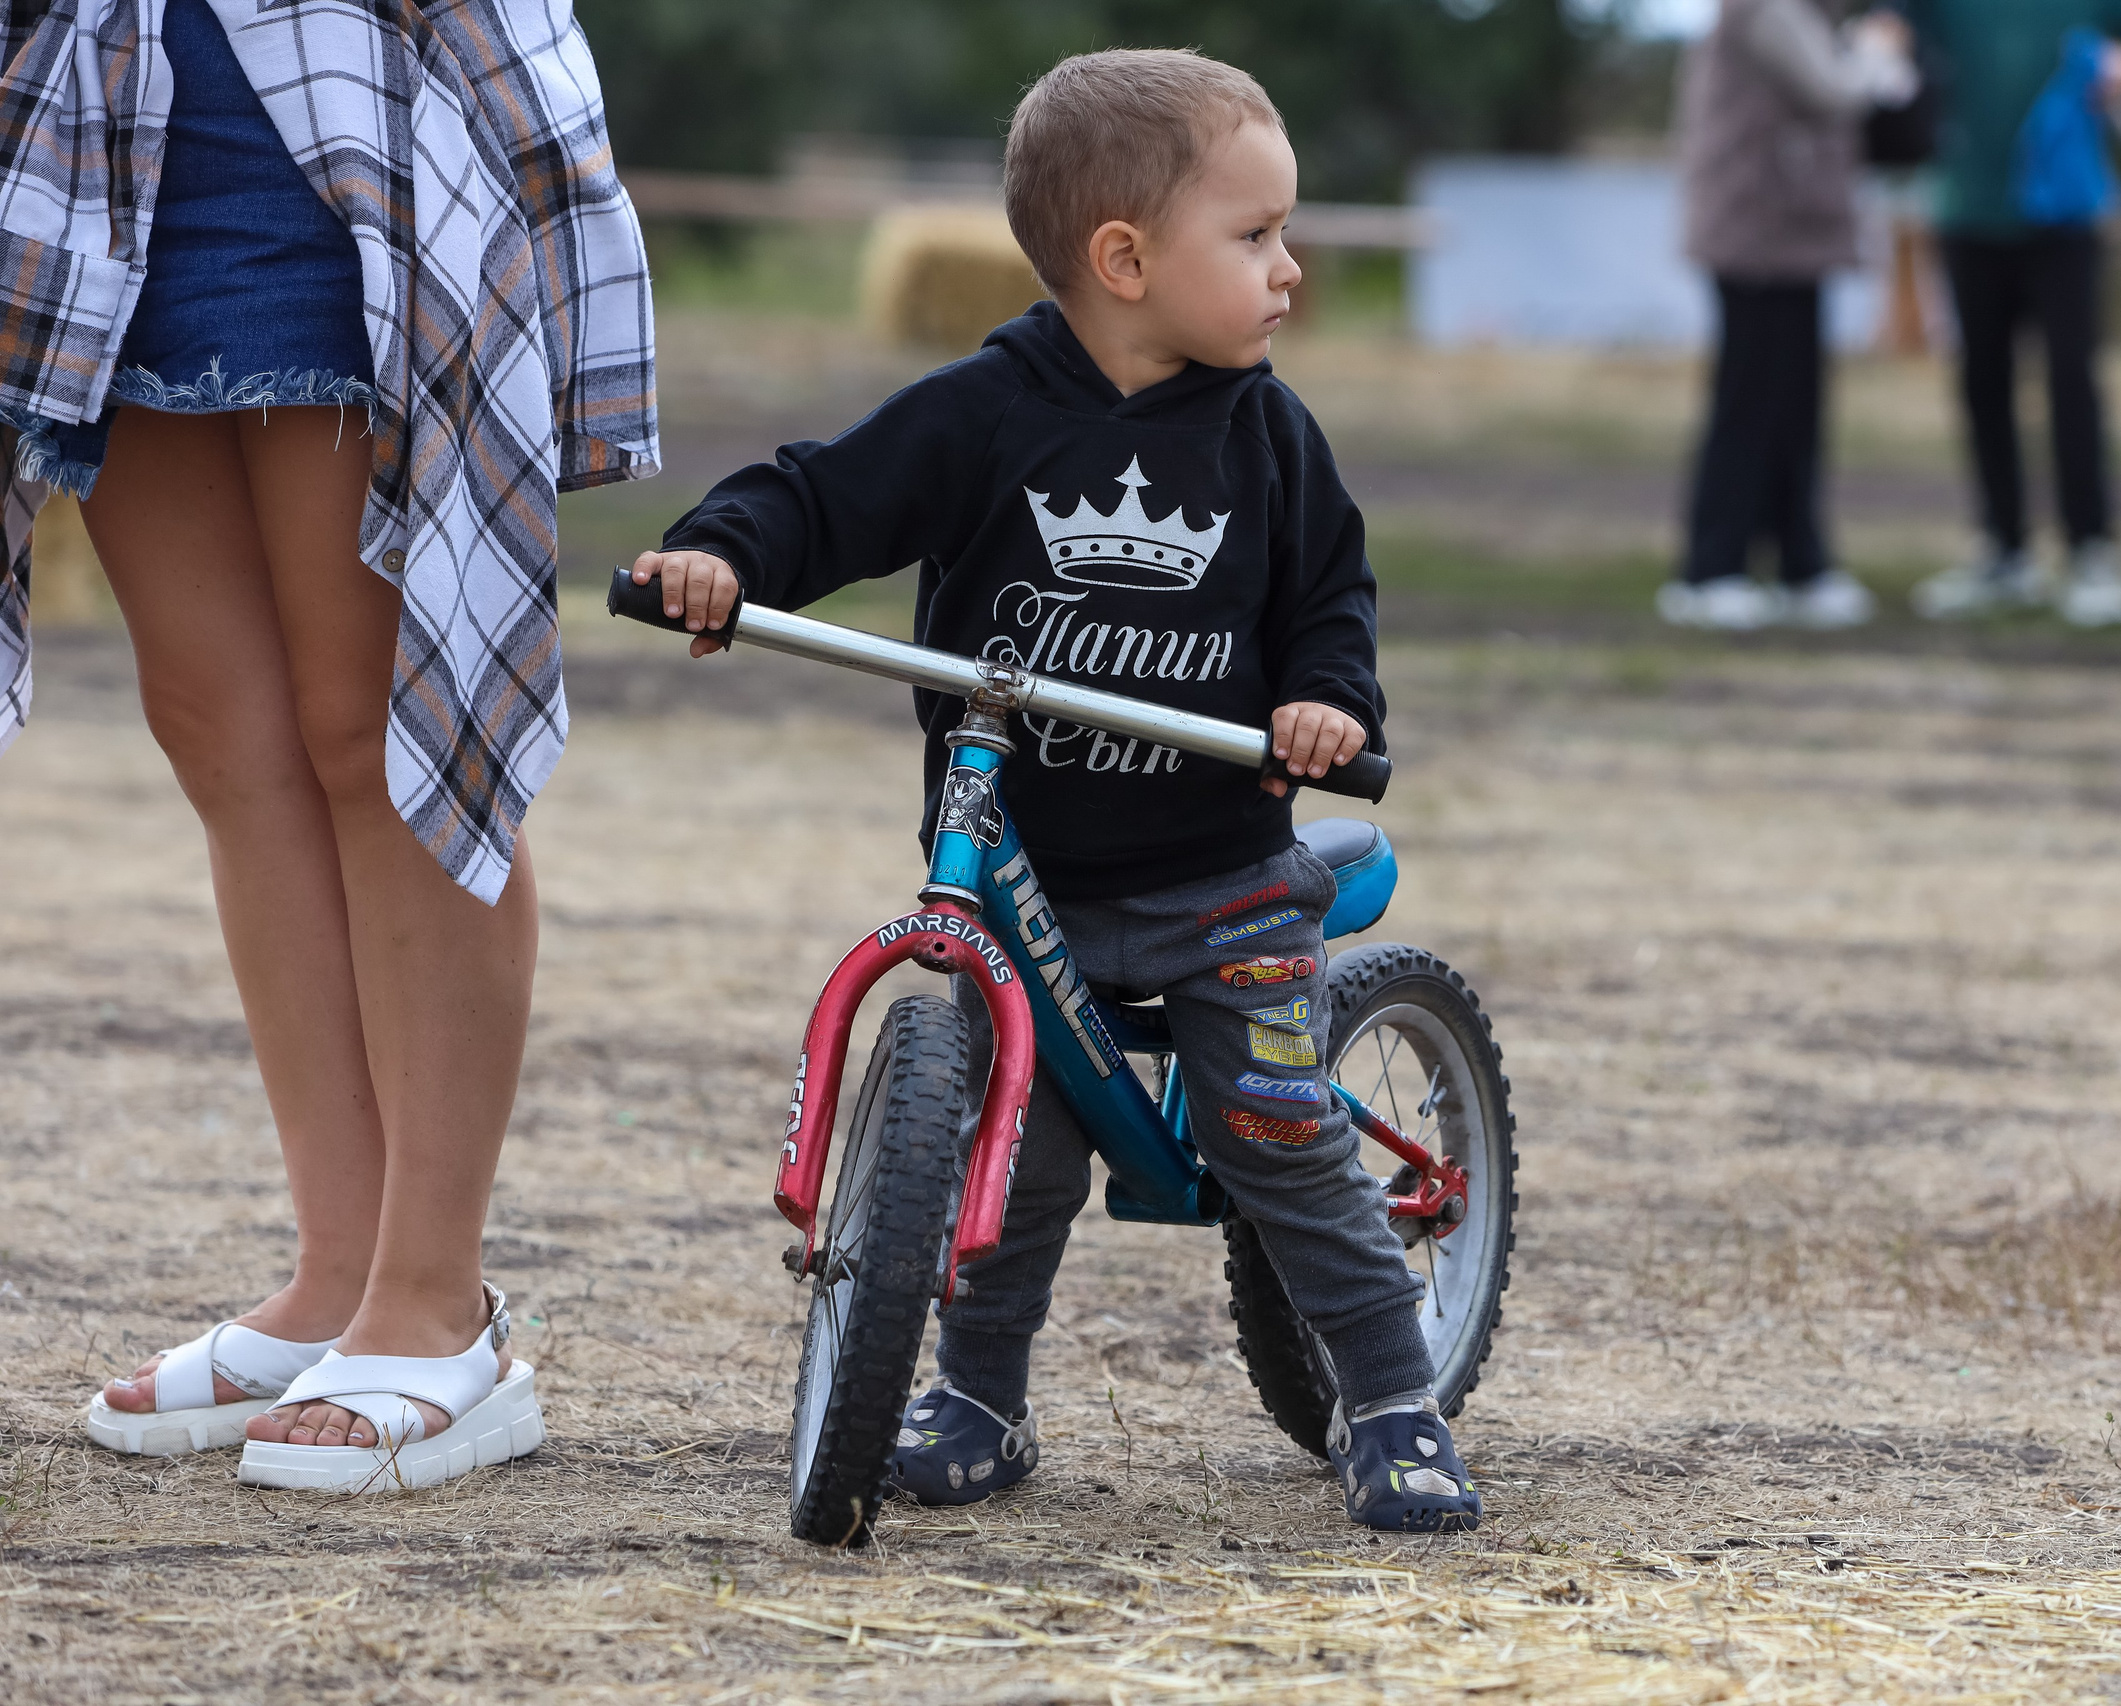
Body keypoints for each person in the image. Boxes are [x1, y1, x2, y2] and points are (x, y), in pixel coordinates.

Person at [632, 49, 1480, 1534]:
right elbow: (825, 493)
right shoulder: (985, 413)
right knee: (1006, 1152)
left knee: (1281, 1131)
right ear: (1125, 259)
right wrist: (725, 555)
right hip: (1030, 877)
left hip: (1220, 880)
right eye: (1259, 235)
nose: (1290, 270)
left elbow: (1329, 600)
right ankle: (978, 1397)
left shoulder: (1268, 435)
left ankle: (1394, 1400)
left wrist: (1325, 706)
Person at [7, 0, 658, 1489]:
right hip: (97, 140)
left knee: (379, 727)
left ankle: (436, 1302)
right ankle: (336, 1273)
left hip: (350, 144)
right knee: (219, 737)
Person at [1898, 0, 2121, 627]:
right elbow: (1896, 27)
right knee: (1982, 382)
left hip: (2063, 213)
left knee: (2071, 378)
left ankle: (2091, 552)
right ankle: (2004, 552)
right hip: (1969, 208)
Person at [1660, 0, 1917, 634]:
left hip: (1795, 237)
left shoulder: (1802, 16)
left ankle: (1802, 565)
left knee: (1796, 407)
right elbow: (1831, 90)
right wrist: (1877, 53)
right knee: (1749, 404)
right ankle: (1711, 570)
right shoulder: (1766, 10)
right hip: (1755, 237)